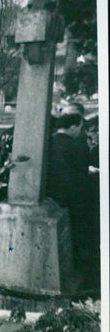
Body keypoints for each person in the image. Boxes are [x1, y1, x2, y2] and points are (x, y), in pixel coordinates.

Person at [47, 106, 96, 279]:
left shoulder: (48, 142)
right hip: (76, 200)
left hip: (54, 198)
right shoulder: (77, 146)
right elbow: (82, 173)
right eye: (81, 128)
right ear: (73, 127)